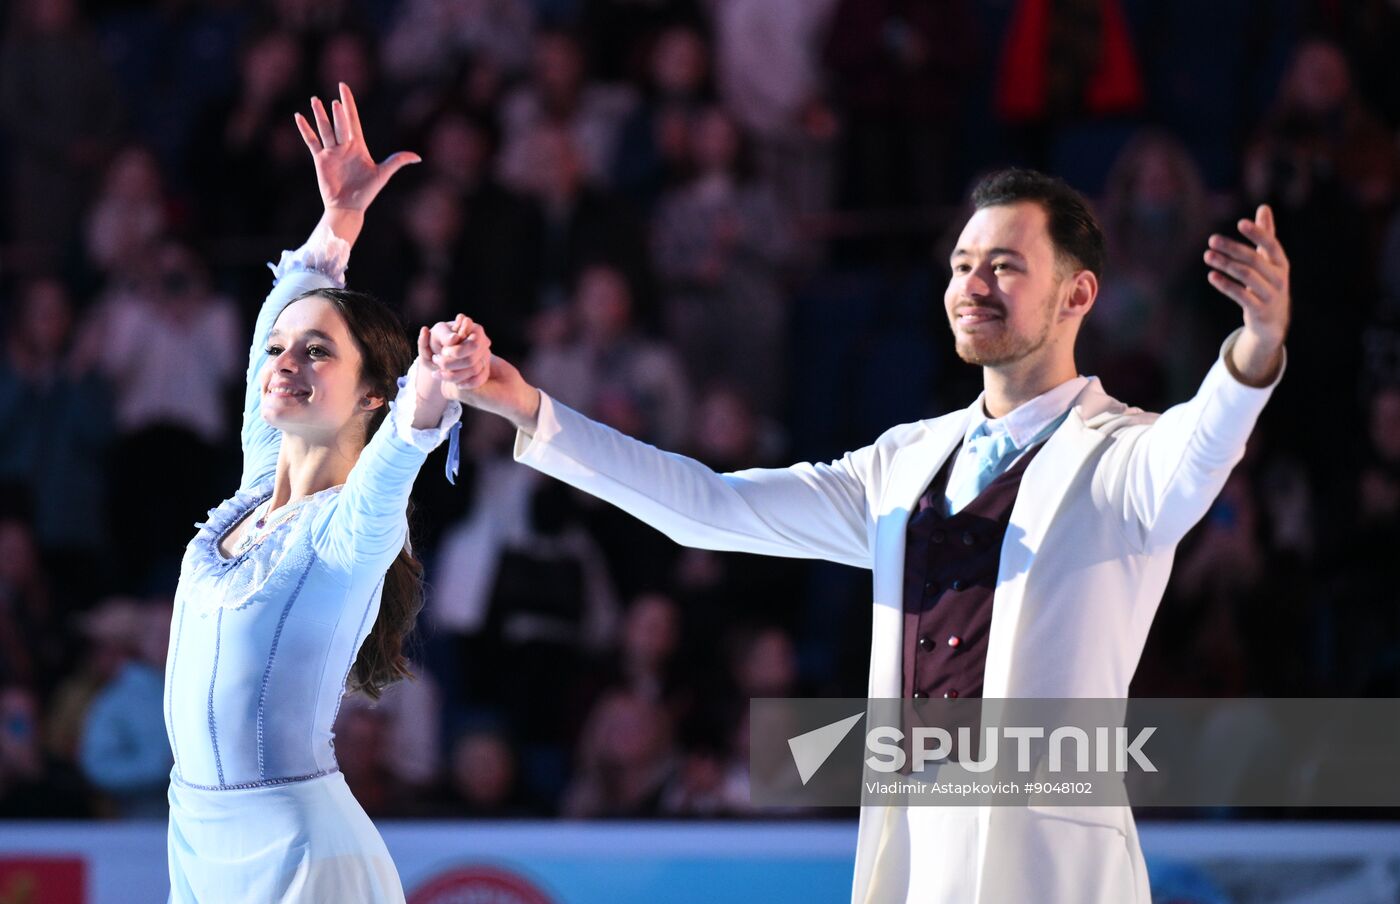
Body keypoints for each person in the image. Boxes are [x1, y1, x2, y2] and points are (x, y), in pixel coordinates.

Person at [436, 168, 1290, 903]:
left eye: (1004, 265)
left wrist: (1252, 349)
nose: (972, 285)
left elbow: (1205, 438)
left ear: (1077, 292)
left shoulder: (1128, 457)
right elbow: (713, 506)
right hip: (911, 854)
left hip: (1050, 861)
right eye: (961, 265)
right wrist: (532, 411)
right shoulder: (903, 462)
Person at [161, 84, 491, 904]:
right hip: (194, 837)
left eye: (317, 354)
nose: (284, 363)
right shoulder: (246, 492)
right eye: (279, 350)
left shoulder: (349, 531)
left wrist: (435, 377)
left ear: (369, 394)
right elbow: (286, 301)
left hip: (304, 853)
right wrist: (337, 223)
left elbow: (404, 446)